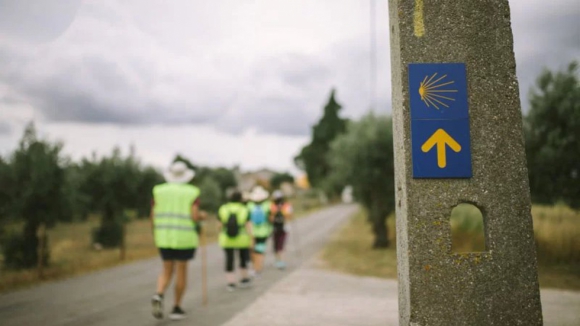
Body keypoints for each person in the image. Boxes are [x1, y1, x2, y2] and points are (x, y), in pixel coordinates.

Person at [150, 161, 202, 320]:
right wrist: (201, 217)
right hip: (184, 238)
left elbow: (152, 215)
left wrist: (156, 232)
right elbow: (194, 216)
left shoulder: (158, 191)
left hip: (164, 237)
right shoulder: (192, 192)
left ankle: (159, 294)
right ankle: (176, 307)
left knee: (166, 270)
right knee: (181, 271)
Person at [218, 190, 253, 291]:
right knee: (243, 258)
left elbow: (219, 225)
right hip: (242, 239)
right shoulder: (244, 209)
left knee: (229, 260)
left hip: (226, 238)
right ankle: (244, 279)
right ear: (241, 199)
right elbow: (248, 225)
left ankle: (231, 283)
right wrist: (251, 238)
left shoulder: (223, 208)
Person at [247, 186, 271, 276]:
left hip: (252, 232)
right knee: (260, 250)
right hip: (264, 231)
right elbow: (270, 218)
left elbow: (247, 220)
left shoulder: (249, 206)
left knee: (253, 251)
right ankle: (259, 268)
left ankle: (254, 267)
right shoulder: (267, 205)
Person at [270, 190, 293, 270]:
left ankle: (279, 261)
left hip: (275, 228)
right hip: (284, 228)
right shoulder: (286, 205)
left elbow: (271, 219)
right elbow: (289, 216)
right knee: (281, 245)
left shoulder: (272, 206)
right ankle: (281, 261)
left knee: (277, 245)